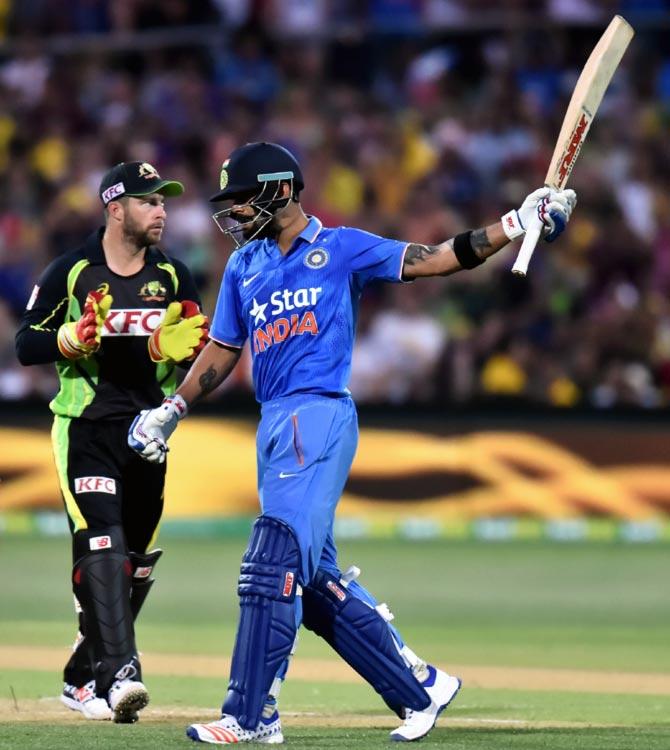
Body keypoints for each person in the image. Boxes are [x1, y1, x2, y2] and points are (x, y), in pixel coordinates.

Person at [128, 142, 576, 744]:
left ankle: (251, 716)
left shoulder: (339, 248)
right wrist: (174, 407)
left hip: (319, 415)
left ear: (281, 191)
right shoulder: (245, 266)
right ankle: (420, 689)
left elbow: (436, 259)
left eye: (242, 200)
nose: (233, 214)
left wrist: (516, 223)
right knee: (310, 583)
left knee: (272, 561)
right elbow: (223, 348)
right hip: (273, 425)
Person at [15, 161, 209, 723]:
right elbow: (26, 343)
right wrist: (70, 340)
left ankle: (81, 678)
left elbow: (199, 343)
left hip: (147, 434)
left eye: (165, 202)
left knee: (133, 563)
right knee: (102, 542)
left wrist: (170, 350)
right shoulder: (72, 271)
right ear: (116, 208)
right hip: (86, 429)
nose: (163, 211)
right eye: (150, 201)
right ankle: (121, 675)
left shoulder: (172, 274)